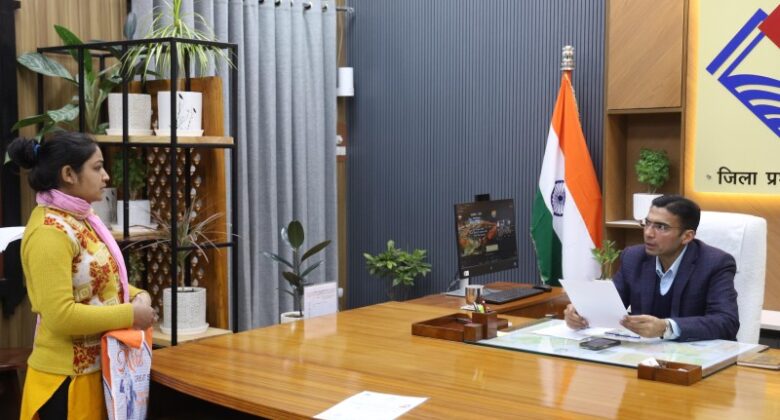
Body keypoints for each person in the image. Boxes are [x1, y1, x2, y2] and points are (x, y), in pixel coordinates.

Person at [8, 133, 154, 419]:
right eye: (97, 167)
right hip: (67, 381)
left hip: (99, 372)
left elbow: (101, 280)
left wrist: (138, 295)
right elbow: (61, 316)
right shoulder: (49, 231)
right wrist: (130, 314)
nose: (106, 176)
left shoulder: (80, 219)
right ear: (68, 174)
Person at [565, 195, 739, 341]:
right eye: (647, 223)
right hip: (645, 355)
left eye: (661, 227)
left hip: (696, 360)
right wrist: (581, 312)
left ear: (687, 236)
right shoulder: (633, 257)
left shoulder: (716, 263)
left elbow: (726, 322)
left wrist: (666, 327)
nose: (648, 233)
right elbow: (611, 304)